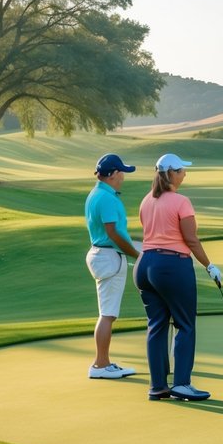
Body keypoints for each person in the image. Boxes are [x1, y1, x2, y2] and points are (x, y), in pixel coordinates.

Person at [136, 153, 221, 401]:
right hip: (172, 265)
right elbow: (191, 239)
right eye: (182, 170)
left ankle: (158, 386)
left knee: (157, 325)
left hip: (145, 266)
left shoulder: (146, 201)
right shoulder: (181, 201)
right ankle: (182, 383)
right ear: (172, 173)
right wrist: (209, 265)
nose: (185, 173)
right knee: (184, 324)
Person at [84, 153, 141, 379]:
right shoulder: (106, 198)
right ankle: (100, 365)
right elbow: (113, 233)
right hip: (108, 256)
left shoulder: (97, 193)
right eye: (122, 173)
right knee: (107, 314)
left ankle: (103, 362)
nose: (123, 177)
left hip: (101, 254)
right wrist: (137, 255)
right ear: (114, 174)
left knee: (107, 313)